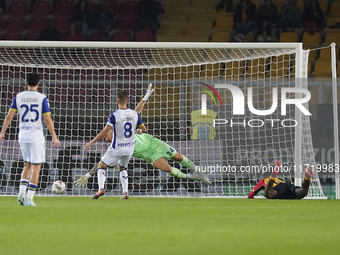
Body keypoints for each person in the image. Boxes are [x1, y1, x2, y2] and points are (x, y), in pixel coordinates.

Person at [74, 85, 211, 198]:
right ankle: (193, 177)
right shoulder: (122, 133)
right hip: (149, 155)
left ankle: (201, 173)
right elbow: (135, 115)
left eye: (107, 136)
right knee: (169, 169)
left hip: (154, 143)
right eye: (106, 138)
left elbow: (135, 113)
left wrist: (145, 99)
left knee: (178, 157)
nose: (106, 139)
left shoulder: (119, 128)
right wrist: (141, 128)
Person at [0, 73, 60, 206]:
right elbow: (47, 119)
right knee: (36, 168)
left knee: (27, 165)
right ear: (38, 84)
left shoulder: (19, 97)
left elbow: (10, 115)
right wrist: (54, 137)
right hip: (36, 136)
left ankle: (21, 193)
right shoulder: (42, 98)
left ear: (26, 83)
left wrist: (2, 132)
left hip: (23, 135)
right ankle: (29, 199)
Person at [83, 90, 146, 199]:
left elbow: (104, 132)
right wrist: (139, 131)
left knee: (101, 166)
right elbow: (144, 129)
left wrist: (92, 142)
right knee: (122, 167)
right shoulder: (134, 114)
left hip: (117, 147)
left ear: (117, 101)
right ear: (127, 100)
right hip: (130, 148)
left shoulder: (114, 115)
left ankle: (101, 189)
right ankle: (125, 192)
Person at [248, 160, 315, 199]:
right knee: (302, 191)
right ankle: (307, 177)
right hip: (286, 186)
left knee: (267, 193)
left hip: (278, 189)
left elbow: (250, 195)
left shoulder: (262, 181)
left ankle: (275, 171)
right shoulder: (278, 179)